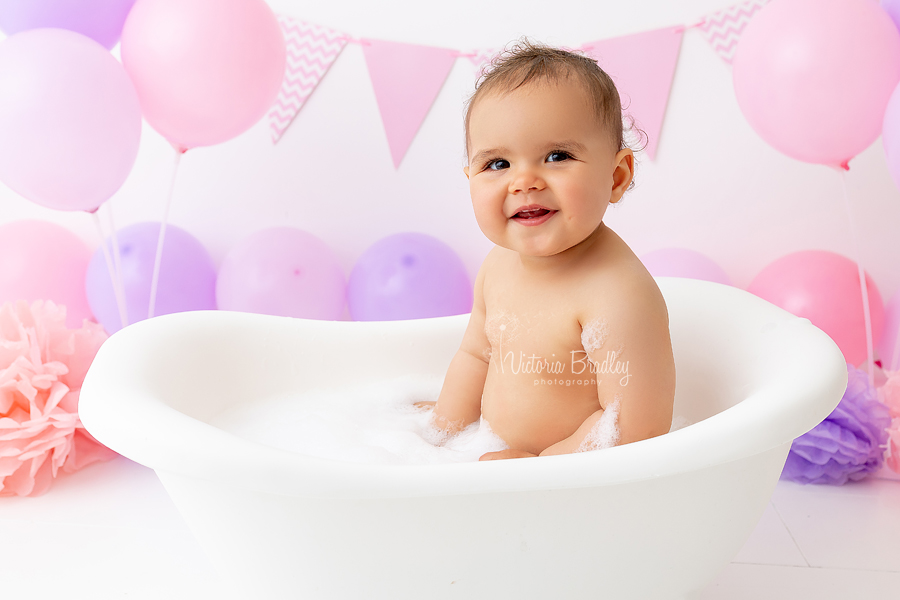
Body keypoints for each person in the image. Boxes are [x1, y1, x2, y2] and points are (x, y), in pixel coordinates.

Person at [423, 39, 676, 460]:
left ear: (616, 177)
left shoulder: (616, 294)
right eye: (497, 164)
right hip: (496, 457)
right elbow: (476, 355)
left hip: (576, 486)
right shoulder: (499, 264)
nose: (524, 181)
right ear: (470, 176)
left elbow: (634, 426)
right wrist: (440, 430)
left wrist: (540, 468)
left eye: (557, 156)